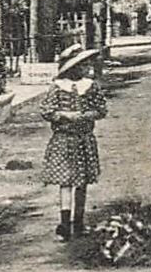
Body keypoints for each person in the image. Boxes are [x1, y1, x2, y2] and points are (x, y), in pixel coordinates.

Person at [41, 43, 108, 241]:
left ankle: (78, 221)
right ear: (70, 68)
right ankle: (64, 224)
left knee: (82, 182)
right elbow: (46, 111)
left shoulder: (90, 86)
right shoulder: (57, 88)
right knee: (66, 181)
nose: (84, 68)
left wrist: (86, 116)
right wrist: (65, 115)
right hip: (64, 139)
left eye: (85, 64)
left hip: (84, 138)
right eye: (80, 65)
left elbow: (101, 109)